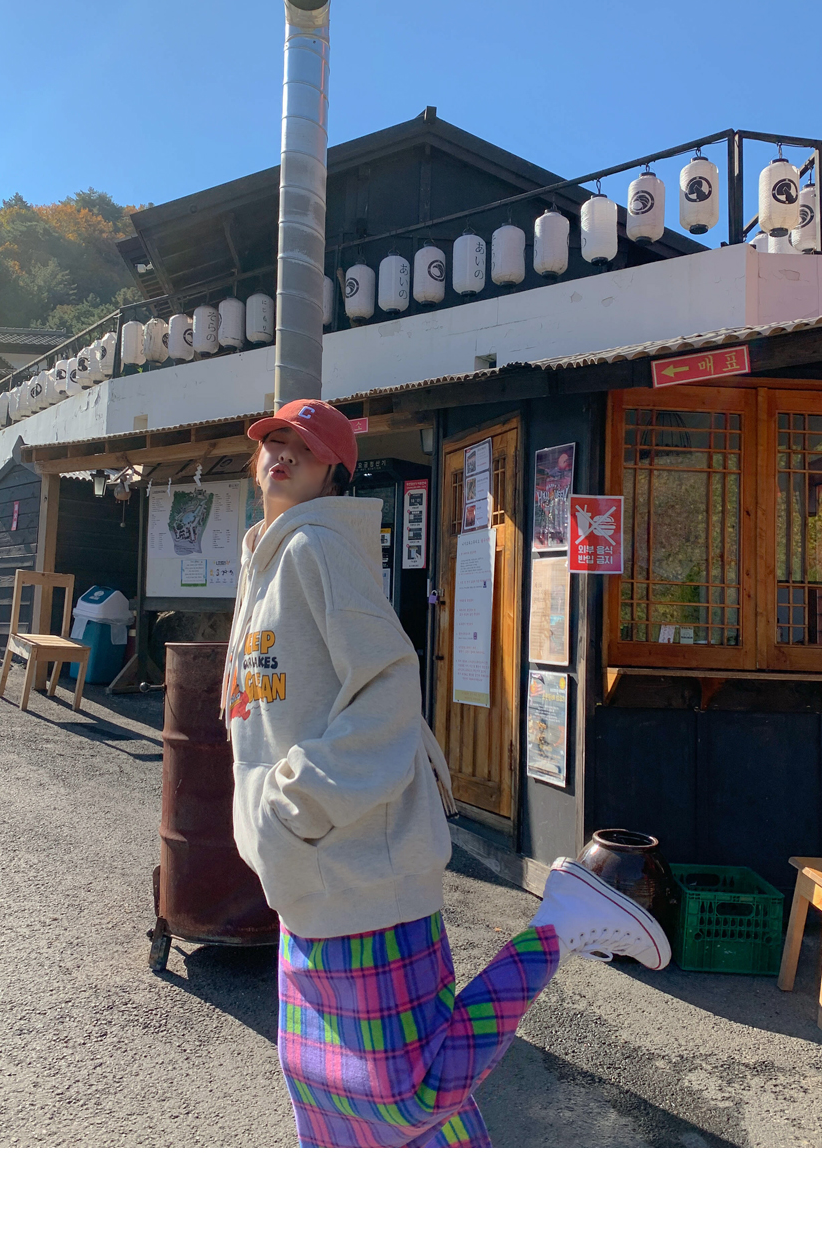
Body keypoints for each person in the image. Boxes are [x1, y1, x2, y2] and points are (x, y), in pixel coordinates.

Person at [221, 399, 670, 1149]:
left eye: (305, 445)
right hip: (306, 869)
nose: (281, 453)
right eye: (271, 439)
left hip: (357, 862)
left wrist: (290, 806)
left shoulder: (316, 548)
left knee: (402, 1098)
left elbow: (390, 689)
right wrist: (267, 822)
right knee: (328, 1107)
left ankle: (557, 925)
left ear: (335, 471)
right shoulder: (263, 558)